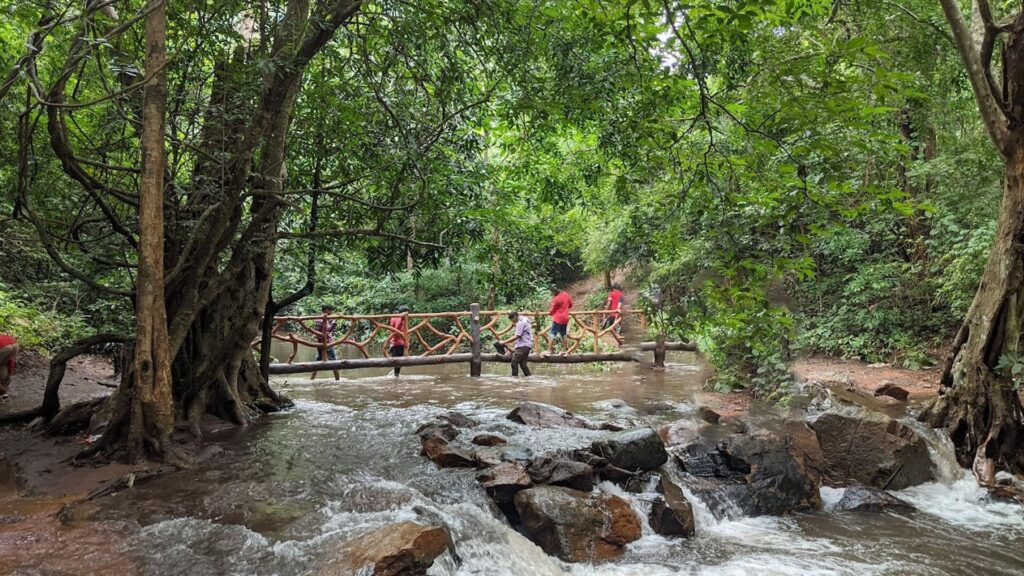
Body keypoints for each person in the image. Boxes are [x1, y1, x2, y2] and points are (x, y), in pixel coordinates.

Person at [311, 304, 340, 380]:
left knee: (318, 361)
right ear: (327, 310)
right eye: (330, 310)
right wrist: (335, 321)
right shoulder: (323, 320)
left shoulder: (319, 318)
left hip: (320, 343)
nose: (331, 312)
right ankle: (338, 380)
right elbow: (329, 329)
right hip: (327, 343)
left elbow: (325, 324)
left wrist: (333, 317)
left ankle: (311, 379)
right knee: (334, 361)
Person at [501, 311, 532, 377]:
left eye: (512, 319)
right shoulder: (525, 318)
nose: (512, 321)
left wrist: (504, 342)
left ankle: (514, 378)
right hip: (528, 345)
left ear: (515, 316)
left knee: (514, 362)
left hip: (523, 345)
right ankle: (529, 377)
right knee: (523, 364)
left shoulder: (521, 323)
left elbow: (518, 336)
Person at [547, 286, 573, 355]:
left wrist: (550, 312)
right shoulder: (566, 294)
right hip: (565, 318)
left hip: (558, 319)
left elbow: (552, 311)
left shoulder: (556, 299)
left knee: (552, 333)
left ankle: (549, 350)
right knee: (563, 334)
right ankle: (564, 350)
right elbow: (570, 304)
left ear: (553, 293)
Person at [388, 305, 410, 377]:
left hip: (396, 341)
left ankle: (395, 374)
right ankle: (396, 376)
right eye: (407, 313)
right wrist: (402, 319)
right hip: (398, 342)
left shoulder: (394, 317)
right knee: (399, 360)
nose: (408, 315)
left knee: (398, 360)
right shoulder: (399, 318)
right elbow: (397, 329)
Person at [0, 333, 18, 401]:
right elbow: (10, 360)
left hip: (2, 347)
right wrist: (9, 374)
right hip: (15, 344)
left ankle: (2, 391)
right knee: (3, 365)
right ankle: (4, 386)